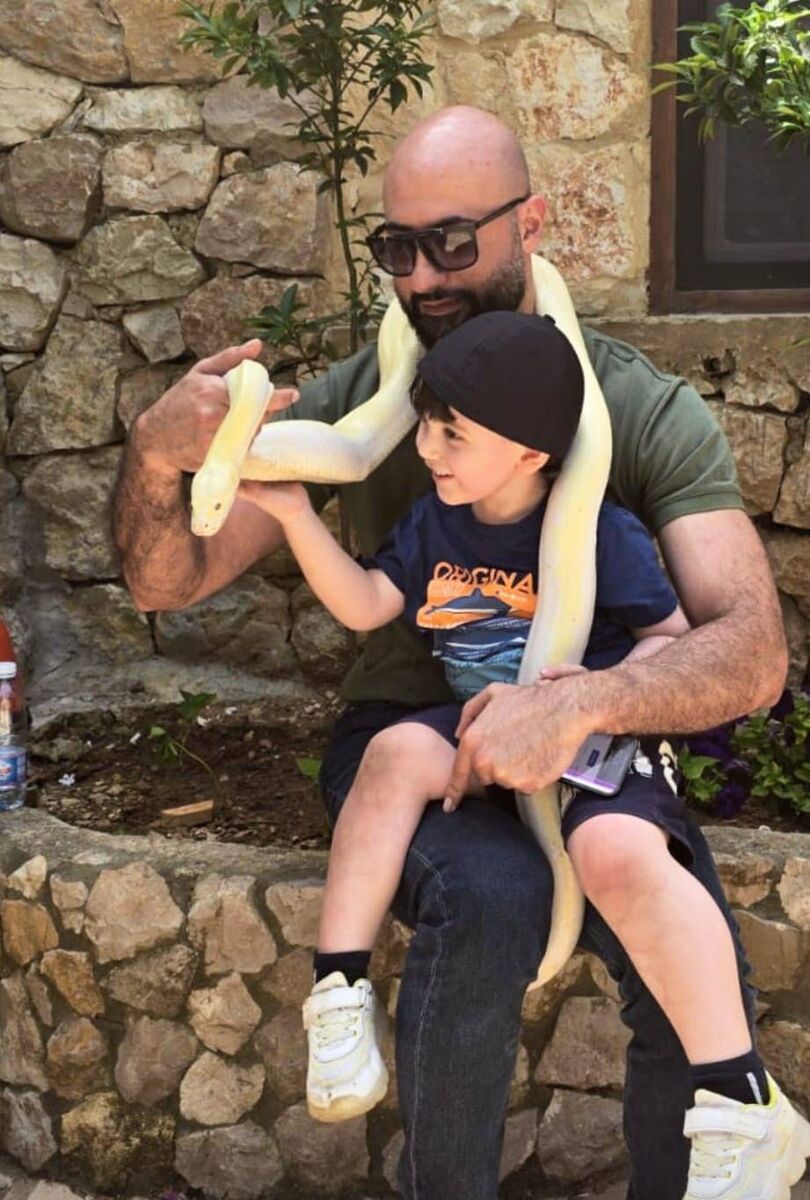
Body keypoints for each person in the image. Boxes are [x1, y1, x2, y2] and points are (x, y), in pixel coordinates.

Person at [113, 105, 800, 1200]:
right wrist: (159, 459)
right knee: (489, 901)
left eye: (451, 242)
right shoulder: (368, 402)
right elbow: (169, 580)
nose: (422, 276)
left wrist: (575, 707)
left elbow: (750, 654)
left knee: (683, 955)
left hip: (589, 742)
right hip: (414, 744)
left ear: (530, 223)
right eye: (398, 248)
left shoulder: (633, 407)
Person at [238, 307, 699, 1123]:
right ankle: (339, 991)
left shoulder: (597, 531)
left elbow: (670, 637)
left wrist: (591, 705)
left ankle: (728, 1091)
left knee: (631, 872)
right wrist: (294, 515)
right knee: (388, 754)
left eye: (452, 436)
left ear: (529, 453)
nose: (425, 450)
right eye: (424, 426)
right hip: (480, 740)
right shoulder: (436, 522)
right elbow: (369, 603)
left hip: (577, 749)